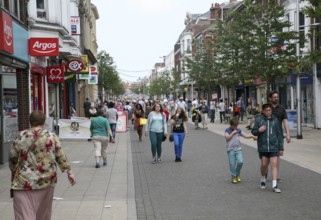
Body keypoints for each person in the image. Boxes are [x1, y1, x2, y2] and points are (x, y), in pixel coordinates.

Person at [9, 111, 76, 220]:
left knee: (24, 215)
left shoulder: (20, 136)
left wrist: (14, 171)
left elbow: (12, 158)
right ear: (44, 121)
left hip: (23, 182)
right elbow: (60, 155)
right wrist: (69, 172)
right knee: (43, 214)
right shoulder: (51, 136)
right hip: (46, 181)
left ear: (30, 122)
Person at [251, 103, 284, 193]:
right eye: (266, 110)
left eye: (270, 110)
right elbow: (253, 132)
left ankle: (274, 185)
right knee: (264, 165)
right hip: (263, 146)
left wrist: (281, 148)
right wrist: (259, 130)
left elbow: (279, 134)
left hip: (274, 146)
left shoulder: (275, 120)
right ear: (263, 111)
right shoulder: (259, 120)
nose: (268, 112)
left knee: (274, 165)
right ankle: (263, 179)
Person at [225, 117, 256, 183]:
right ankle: (233, 177)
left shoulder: (238, 130)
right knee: (232, 164)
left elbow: (245, 135)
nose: (236, 127)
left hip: (238, 149)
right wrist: (233, 133)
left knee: (240, 162)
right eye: (234, 126)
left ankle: (237, 173)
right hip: (230, 150)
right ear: (231, 125)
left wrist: (252, 136)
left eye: (237, 125)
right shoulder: (227, 130)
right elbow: (227, 138)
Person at [269, 91, 291, 183]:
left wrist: (288, 134)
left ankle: (277, 176)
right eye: (274, 97)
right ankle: (265, 172)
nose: (276, 98)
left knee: (277, 155)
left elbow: (285, 121)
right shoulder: (267, 108)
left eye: (277, 97)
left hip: (278, 135)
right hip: (268, 135)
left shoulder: (282, 108)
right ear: (270, 98)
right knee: (267, 155)